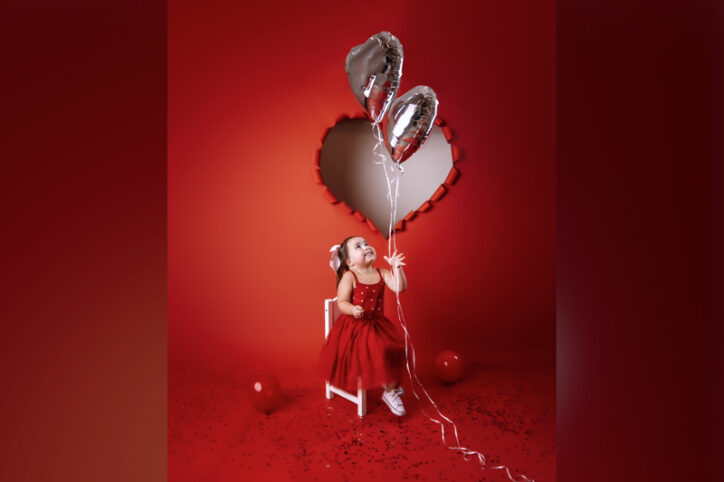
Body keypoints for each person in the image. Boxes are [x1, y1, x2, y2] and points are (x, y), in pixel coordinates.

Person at [318, 236, 409, 416]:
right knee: (380, 349)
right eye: (358, 246)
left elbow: (400, 287)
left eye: (366, 243)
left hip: (377, 324)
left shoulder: (382, 272)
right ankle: (390, 389)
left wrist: (397, 269)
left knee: (397, 348)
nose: (366, 247)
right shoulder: (349, 276)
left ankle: (390, 390)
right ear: (349, 262)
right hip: (356, 327)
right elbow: (342, 302)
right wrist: (352, 309)